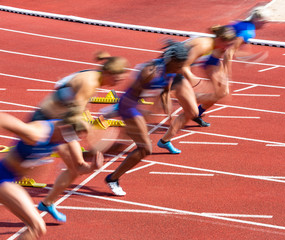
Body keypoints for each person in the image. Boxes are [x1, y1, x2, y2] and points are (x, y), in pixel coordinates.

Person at [31, 51, 129, 221]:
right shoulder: (89, 83)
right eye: (116, 79)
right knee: (23, 167)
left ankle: (47, 203)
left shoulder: (93, 76)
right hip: (45, 121)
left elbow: (70, 98)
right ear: (108, 73)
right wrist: (90, 132)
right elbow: (75, 115)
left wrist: (86, 122)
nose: (117, 84)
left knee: (76, 167)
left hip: (60, 123)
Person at [103, 42, 189, 196]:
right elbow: (133, 93)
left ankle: (84, 158)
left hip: (135, 109)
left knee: (118, 147)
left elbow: (164, 91)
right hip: (129, 106)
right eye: (179, 65)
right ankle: (112, 178)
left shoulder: (171, 71)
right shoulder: (150, 71)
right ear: (171, 60)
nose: (180, 68)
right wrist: (134, 112)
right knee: (145, 148)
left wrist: (168, 113)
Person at [0, 112, 92, 240]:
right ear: (64, 128)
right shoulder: (37, 133)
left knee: (38, 228)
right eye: (71, 137)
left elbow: (79, 167)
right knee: (37, 227)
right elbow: (3, 119)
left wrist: (93, 167)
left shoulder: (65, 135)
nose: (70, 142)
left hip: (11, 180)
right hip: (3, 178)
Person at [157, 25, 237, 154]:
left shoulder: (217, 46)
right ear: (219, 40)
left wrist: (224, 74)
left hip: (176, 69)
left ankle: (167, 139)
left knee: (218, 94)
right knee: (191, 111)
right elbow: (183, 66)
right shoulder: (204, 46)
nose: (227, 48)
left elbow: (217, 64)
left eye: (229, 45)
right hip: (170, 69)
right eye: (226, 45)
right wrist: (196, 82)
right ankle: (164, 140)